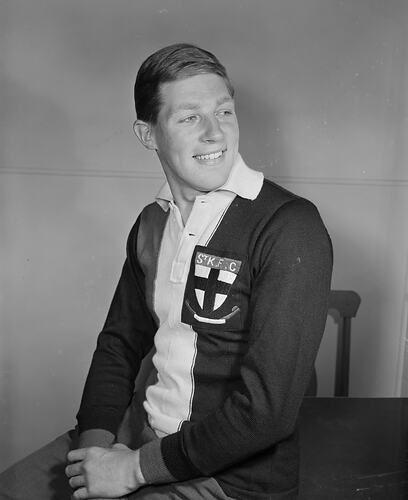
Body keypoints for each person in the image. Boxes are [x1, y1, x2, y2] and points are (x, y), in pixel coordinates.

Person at [0, 43, 333, 500]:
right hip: (137, 440)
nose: (215, 133)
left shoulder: (291, 226)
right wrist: (94, 450)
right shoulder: (152, 222)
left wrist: (133, 470)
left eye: (225, 112)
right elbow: (119, 344)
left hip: (228, 478)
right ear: (148, 133)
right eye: (190, 117)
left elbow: (266, 412)